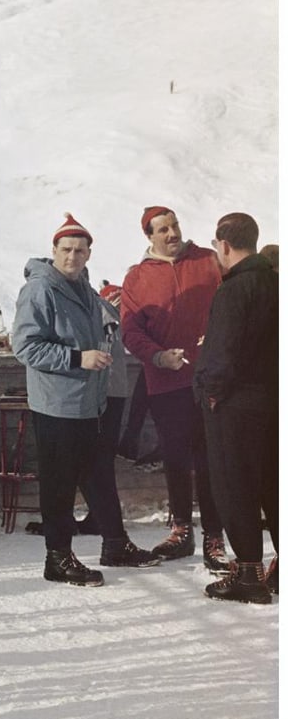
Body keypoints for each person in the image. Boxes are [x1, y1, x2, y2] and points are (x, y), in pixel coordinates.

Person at [12, 214, 132, 587]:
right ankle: (57, 557)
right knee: (58, 481)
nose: (73, 257)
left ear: (89, 254)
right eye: (66, 249)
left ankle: (109, 544)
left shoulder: (83, 287)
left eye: (80, 250)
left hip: (85, 402)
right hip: (56, 403)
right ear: (53, 251)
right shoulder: (40, 289)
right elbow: (25, 346)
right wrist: (77, 358)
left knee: (86, 474)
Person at [121, 206, 227, 569]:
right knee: (176, 458)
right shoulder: (137, 277)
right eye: (163, 229)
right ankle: (182, 529)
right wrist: (158, 356)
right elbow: (131, 331)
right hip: (165, 382)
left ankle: (215, 535)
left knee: (210, 457)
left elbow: (230, 308)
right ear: (149, 237)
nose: (171, 233)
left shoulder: (209, 262)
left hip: (210, 379)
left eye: (174, 225)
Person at [193, 212, 278, 603]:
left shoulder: (233, 290)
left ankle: (248, 574)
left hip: (236, 405)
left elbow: (222, 354)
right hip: (274, 402)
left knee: (235, 485)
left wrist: (211, 392)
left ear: (223, 246)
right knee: (275, 485)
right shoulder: (276, 283)